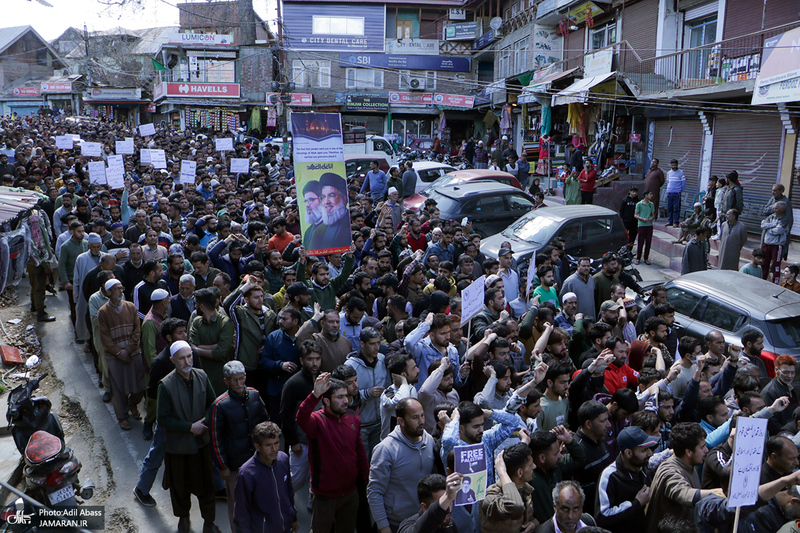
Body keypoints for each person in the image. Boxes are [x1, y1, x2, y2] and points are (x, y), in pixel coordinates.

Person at [157, 341, 221, 533]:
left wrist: (204, 423)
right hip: (178, 446)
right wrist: (189, 427)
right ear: (172, 360)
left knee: (207, 486)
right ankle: (184, 518)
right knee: (180, 486)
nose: (186, 361)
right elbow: (163, 419)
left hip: (201, 444)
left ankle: (209, 522)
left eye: (189, 356)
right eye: (182, 358)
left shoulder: (201, 376)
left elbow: (212, 403)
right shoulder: (166, 385)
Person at [296, 373, 369, 533]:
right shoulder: (316, 421)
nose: (345, 401)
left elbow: (360, 452)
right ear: (327, 401)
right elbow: (301, 417)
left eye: (346, 396)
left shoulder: (354, 419)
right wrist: (315, 395)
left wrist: (366, 478)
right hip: (324, 496)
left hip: (350, 493)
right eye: (340, 397)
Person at [209, 360, 269, 533]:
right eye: (234, 380)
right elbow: (215, 438)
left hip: (258, 459)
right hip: (235, 465)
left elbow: (266, 422)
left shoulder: (255, 395)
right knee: (238, 506)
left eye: (241, 379)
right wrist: (223, 466)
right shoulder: (220, 405)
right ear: (226, 381)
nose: (239, 383)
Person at [368, 398, 435, 533]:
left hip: (424, 520)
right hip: (395, 523)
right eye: (415, 418)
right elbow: (374, 492)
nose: (421, 421)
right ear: (401, 421)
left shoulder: (429, 440)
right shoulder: (385, 449)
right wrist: (384, 527)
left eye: (422, 415)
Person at [644, 422, 723, 533]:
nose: (706, 450)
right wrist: (717, 493)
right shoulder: (670, 471)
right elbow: (684, 494)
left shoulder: (690, 463)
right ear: (688, 452)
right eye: (702, 447)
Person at [97, 278, 146, 431]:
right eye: (117, 289)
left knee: (140, 385)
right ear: (109, 292)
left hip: (133, 353)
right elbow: (104, 337)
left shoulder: (131, 307)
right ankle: (122, 417)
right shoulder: (103, 312)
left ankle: (133, 404)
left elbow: (137, 331)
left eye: (121, 288)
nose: (120, 291)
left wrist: (128, 350)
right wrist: (119, 352)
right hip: (114, 356)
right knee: (118, 388)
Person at [233, 421, 298, 533]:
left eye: (277, 443)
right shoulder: (246, 473)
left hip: (287, 528)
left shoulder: (283, 459)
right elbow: (241, 511)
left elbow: (289, 493)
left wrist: (293, 518)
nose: (274, 449)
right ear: (257, 447)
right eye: (268, 445)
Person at [596, 426, 658, 533]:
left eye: (649, 449)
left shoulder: (643, 467)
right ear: (628, 453)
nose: (650, 454)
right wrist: (636, 503)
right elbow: (602, 516)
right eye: (644, 450)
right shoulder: (610, 476)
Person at [480, 445, 537, 533]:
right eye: (530, 465)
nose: (534, 466)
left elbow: (526, 517)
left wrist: (533, 523)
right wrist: (502, 472)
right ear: (519, 472)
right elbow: (515, 506)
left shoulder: (525, 489)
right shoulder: (491, 496)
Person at [398, 473, 463, 533]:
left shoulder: (449, 523)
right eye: (442, 503)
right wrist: (446, 498)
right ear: (424, 507)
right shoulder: (407, 527)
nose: (449, 510)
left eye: (450, 502)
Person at [762, 200, 790, 282]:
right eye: (774, 208)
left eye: (776, 208)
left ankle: (775, 281)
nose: (774, 210)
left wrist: (768, 229)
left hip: (777, 245)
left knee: (775, 265)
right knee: (764, 263)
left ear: (782, 209)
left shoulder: (785, 219)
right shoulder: (771, 216)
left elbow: (778, 231)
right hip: (767, 244)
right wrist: (773, 225)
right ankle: (763, 279)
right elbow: (763, 225)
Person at [634, 190, 655, 265]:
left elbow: (653, 214)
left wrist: (651, 218)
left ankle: (646, 258)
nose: (651, 196)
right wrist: (642, 219)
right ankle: (638, 258)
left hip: (649, 225)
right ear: (646, 195)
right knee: (640, 242)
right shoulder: (639, 204)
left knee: (648, 242)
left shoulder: (651, 204)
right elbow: (635, 215)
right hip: (642, 225)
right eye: (650, 194)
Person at [665, 159, 686, 227]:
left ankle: (676, 222)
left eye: (675, 165)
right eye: (672, 165)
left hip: (677, 193)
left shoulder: (681, 173)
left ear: (677, 165)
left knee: (676, 208)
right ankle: (670, 221)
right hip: (669, 192)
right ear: (671, 165)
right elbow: (668, 182)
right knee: (669, 207)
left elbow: (683, 184)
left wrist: (679, 190)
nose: (674, 166)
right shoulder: (668, 173)